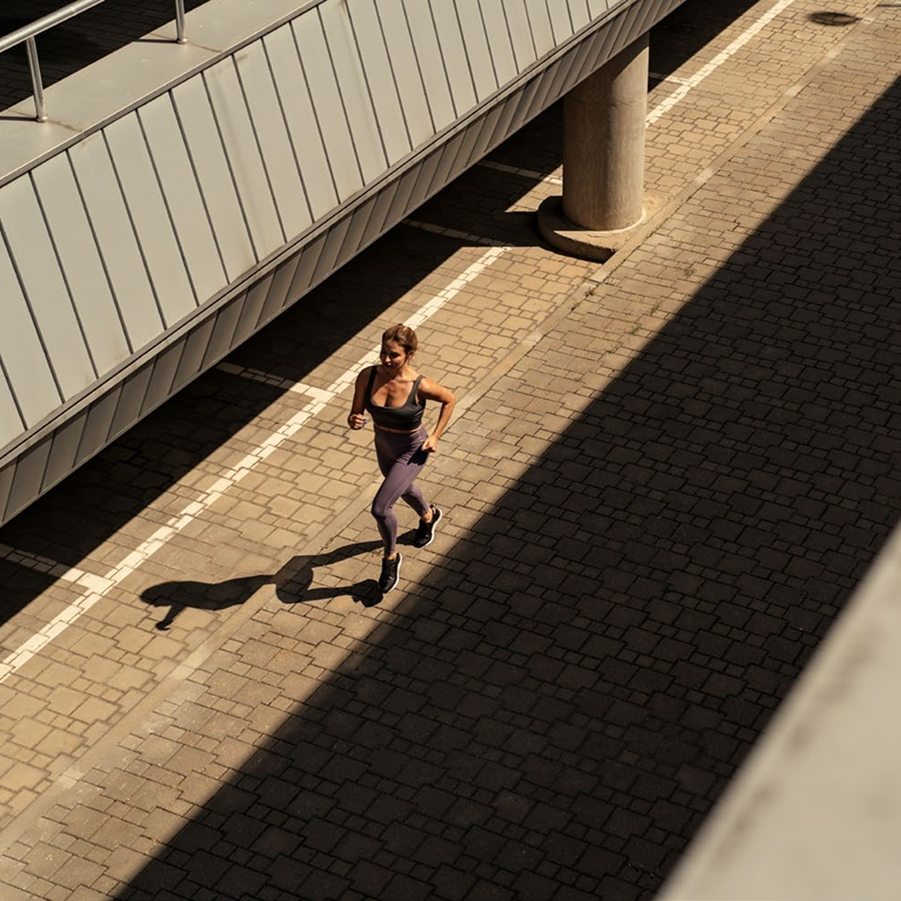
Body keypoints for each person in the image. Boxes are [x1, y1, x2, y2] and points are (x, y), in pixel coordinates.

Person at [348, 324, 456, 594]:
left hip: (412, 448)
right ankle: (429, 516)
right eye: (383, 352)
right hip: (383, 445)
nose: (386, 359)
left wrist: (436, 436)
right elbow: (355, 413)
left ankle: (390, 558)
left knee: (380, 508)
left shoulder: (420, 385)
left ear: (409, 355)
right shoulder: (367, 376)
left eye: (393, 355)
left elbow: (450, 399)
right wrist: (355, 419)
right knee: (402, 487)